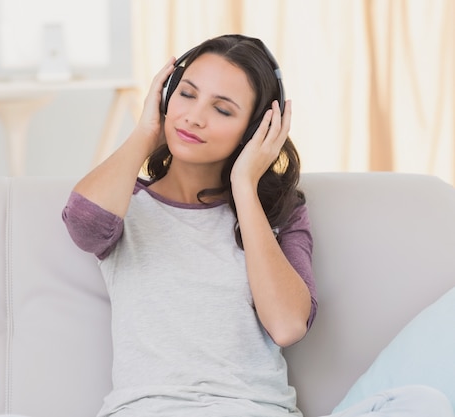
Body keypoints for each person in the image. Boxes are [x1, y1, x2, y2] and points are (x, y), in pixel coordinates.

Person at [62, 34, 453, 417]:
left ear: (255, 131)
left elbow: (286, 325)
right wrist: (146, 130)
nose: (194, 117)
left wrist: (244, 187)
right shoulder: (124, 202)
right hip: (152, 410)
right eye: (186, 93)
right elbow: (84, 224)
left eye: (223, 109)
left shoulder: (280, 215)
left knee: (423, 403)